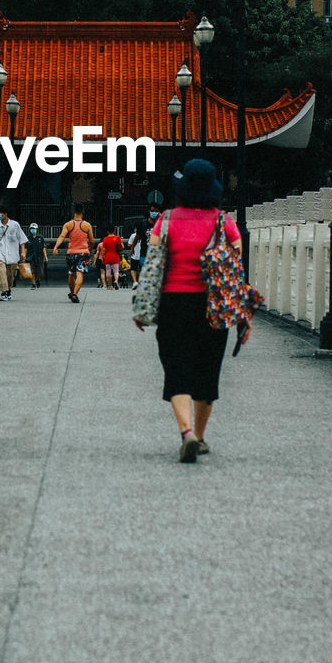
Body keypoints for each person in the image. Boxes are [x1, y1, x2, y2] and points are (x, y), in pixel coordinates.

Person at [134, 159, 241, 463]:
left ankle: (186, 433)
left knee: (177, 368)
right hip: (213, 306)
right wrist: (242, 316)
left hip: (174, 303)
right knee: (208, 370)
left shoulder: (165, 220)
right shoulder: (225, 222)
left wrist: (143, 308)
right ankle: (202, 437)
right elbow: (235, 268)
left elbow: (152, 266)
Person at [53, 203, 95, 304]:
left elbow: (62, 236)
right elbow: (92, 240)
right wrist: (90, 248)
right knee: (80, 273)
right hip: (83, 252)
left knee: (71, 273)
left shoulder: (68, 224)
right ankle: (74, 294)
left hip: (71, 252)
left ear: (74, 212)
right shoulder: (87, 225)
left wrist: (56, 247)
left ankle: (72, 293)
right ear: (83, 212)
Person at [0, 202, 27, 302]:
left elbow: (21, 238)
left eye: (0, 213)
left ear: (5, 214)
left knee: (10, 274)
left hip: (12, 253)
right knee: (1, 272)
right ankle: (4, 292)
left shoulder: (15, 225)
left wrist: (22, 252)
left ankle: (8, 290)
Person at [24, 223, 48, 289]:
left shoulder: (40, 238)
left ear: (36, 229)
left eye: (34, 229)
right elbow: (25, 248)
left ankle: (37, 279)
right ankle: (33, 284)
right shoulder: (27, 238)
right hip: (31, 257)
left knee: (40, 271)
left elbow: (43, 248)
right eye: (31, 229)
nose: (33, 230)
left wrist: (45, 257)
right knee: (32, 271)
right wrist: (24, 256)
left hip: (39, 257)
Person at [126, 221, 147, 287]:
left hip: (134, 255)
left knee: (133, 269)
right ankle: (141, 281)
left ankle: (135, 281)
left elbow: (129, 244)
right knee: (142, 269)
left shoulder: (133, 235)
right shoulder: (144, 234)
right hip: (143, 254)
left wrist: (133, 245)